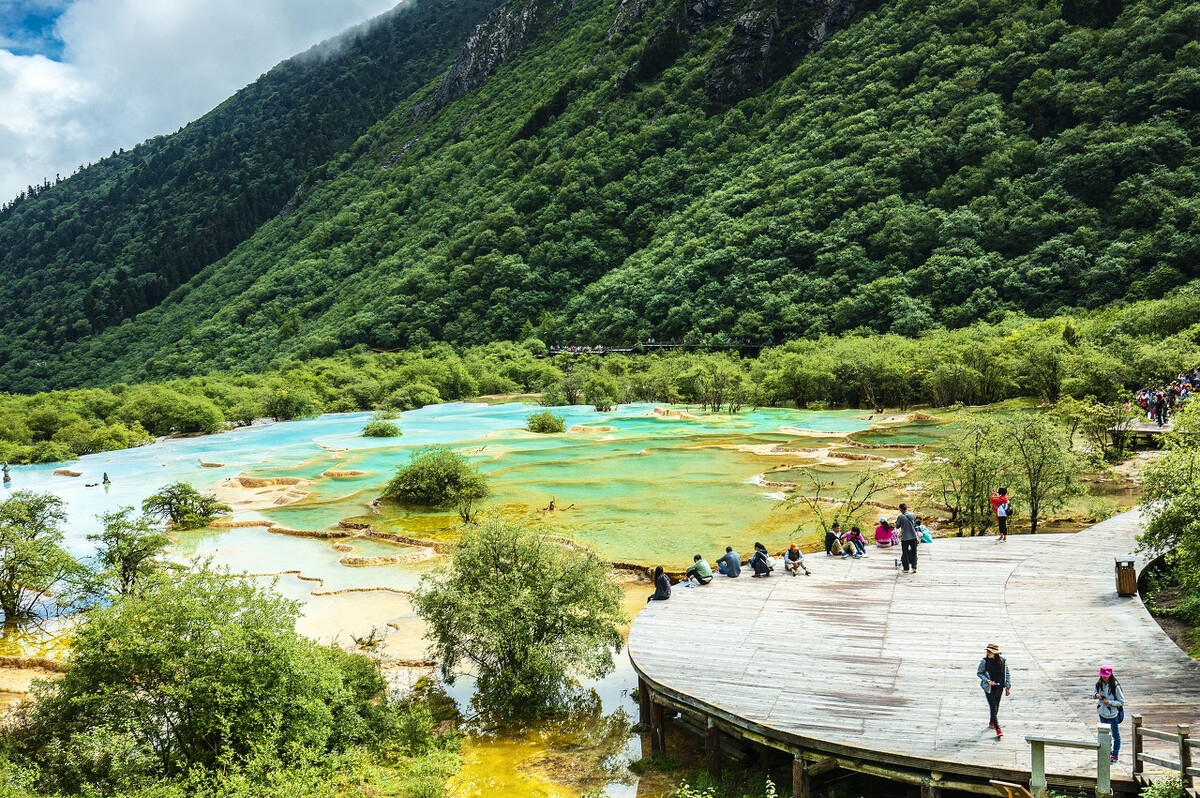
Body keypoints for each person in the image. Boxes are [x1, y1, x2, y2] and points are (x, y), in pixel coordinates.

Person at [977, 642, 1011, 737]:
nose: (988, 653)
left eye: (990, 652)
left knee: (997, 706)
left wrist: (1008, 687)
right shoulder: (984, 662)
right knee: (993, 707)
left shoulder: (1003, 662)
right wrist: (987, 680)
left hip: (999, 687)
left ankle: (992, 720)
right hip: (989, 688)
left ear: (995, 653)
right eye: (988, 651)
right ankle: (998, 728)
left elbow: (1007, 674)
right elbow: (979, 673)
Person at [1095, 665, 1125, 763]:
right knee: (1105, 734)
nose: (1104, 677)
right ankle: (1107, 752)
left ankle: (1115, 754)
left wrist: (1110, 702)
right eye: (1103, 676)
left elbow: (1121, 702)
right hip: (1102, 713)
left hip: (1112, 715)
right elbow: (1094, 693)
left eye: (1106, 676)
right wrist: (1096, 695)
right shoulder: (1099, 684)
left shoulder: (1115, 686)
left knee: (1115, 735)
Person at [896, 503, 919, 573]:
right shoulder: (912, 515)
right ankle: (914, 567)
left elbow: (897, 526)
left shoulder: (900, 517)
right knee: (914, 552)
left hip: (905, 537)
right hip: (913, 536)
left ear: (900, 509)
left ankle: (906, 568)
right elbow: (915, 524)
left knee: (905, 553)